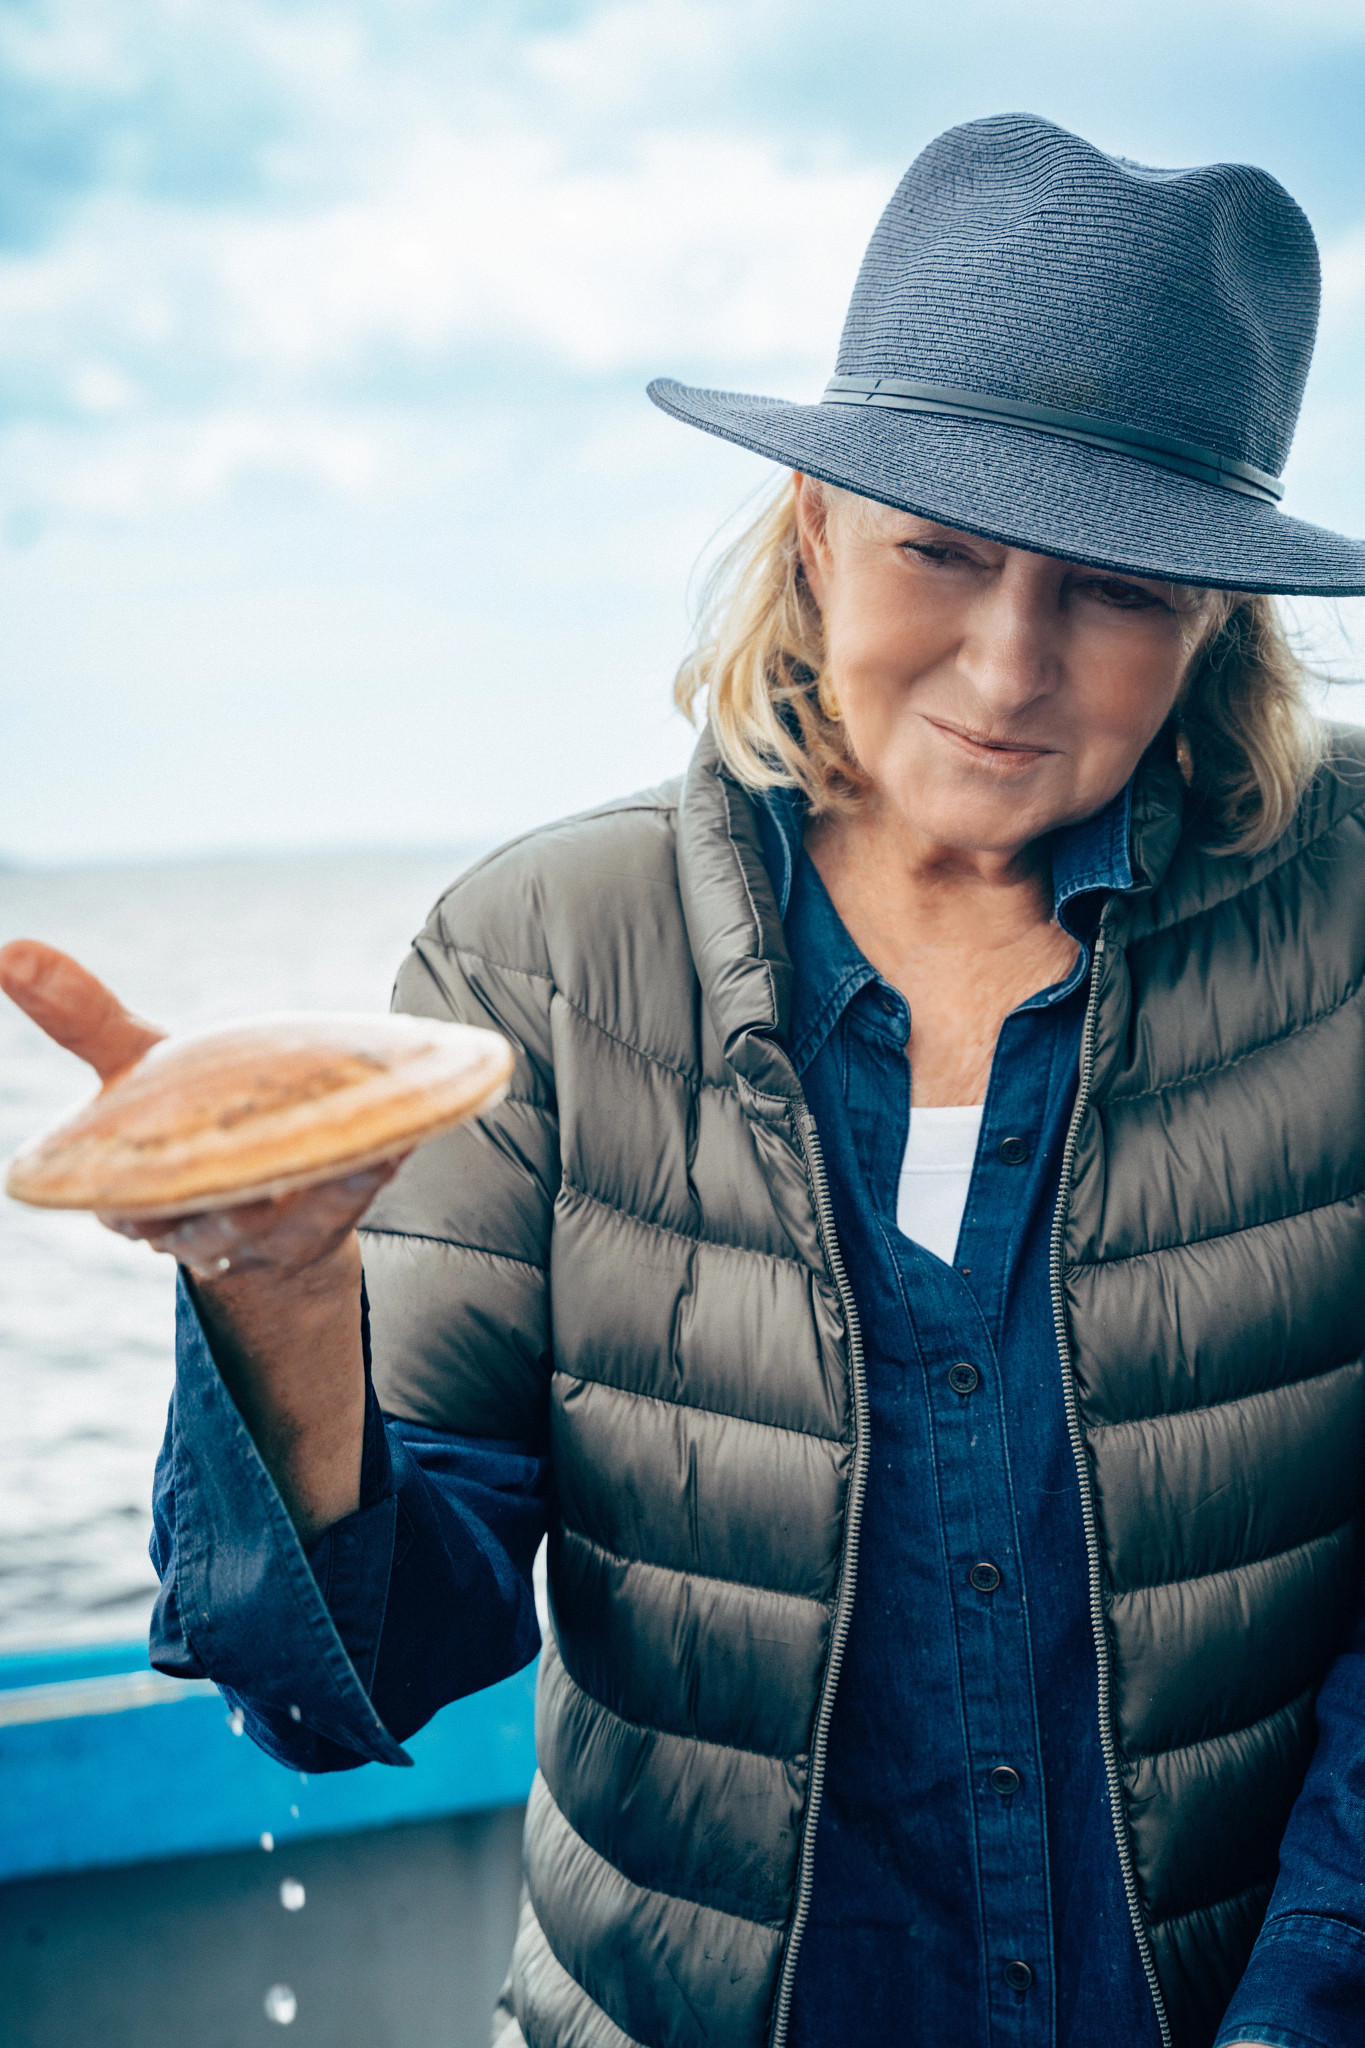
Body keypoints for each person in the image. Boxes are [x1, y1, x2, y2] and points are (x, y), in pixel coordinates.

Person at [6, 111, 1365, 2048]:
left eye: (1115, 588)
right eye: (940, 551)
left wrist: (1308, 1996)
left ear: (1213, 612)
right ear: (811, 529)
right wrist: (278, 1285)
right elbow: (349, 1681)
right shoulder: (542, 949)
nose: (1005, 663)